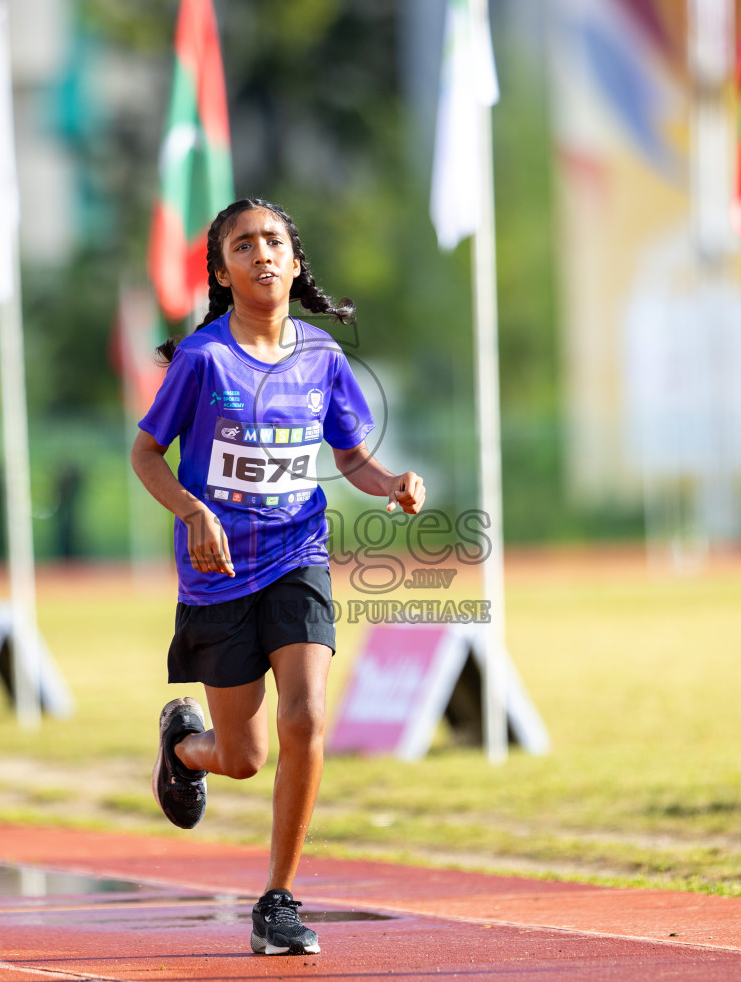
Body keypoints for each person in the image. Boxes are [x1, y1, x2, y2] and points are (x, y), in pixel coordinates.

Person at [130, 198, 425, 956]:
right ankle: (184, 749)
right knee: (244, 757)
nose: (261, 253)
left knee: (305, 720)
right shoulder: (203, 361)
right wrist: (194, 512)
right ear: (223, 273)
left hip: (298, 555)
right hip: (218, 577)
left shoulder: (322, 359)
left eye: (274, 242)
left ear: (296, 264)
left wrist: (390, 481)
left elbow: (351, 454)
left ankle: (279, 899)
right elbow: (144, 455)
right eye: (243, 245)